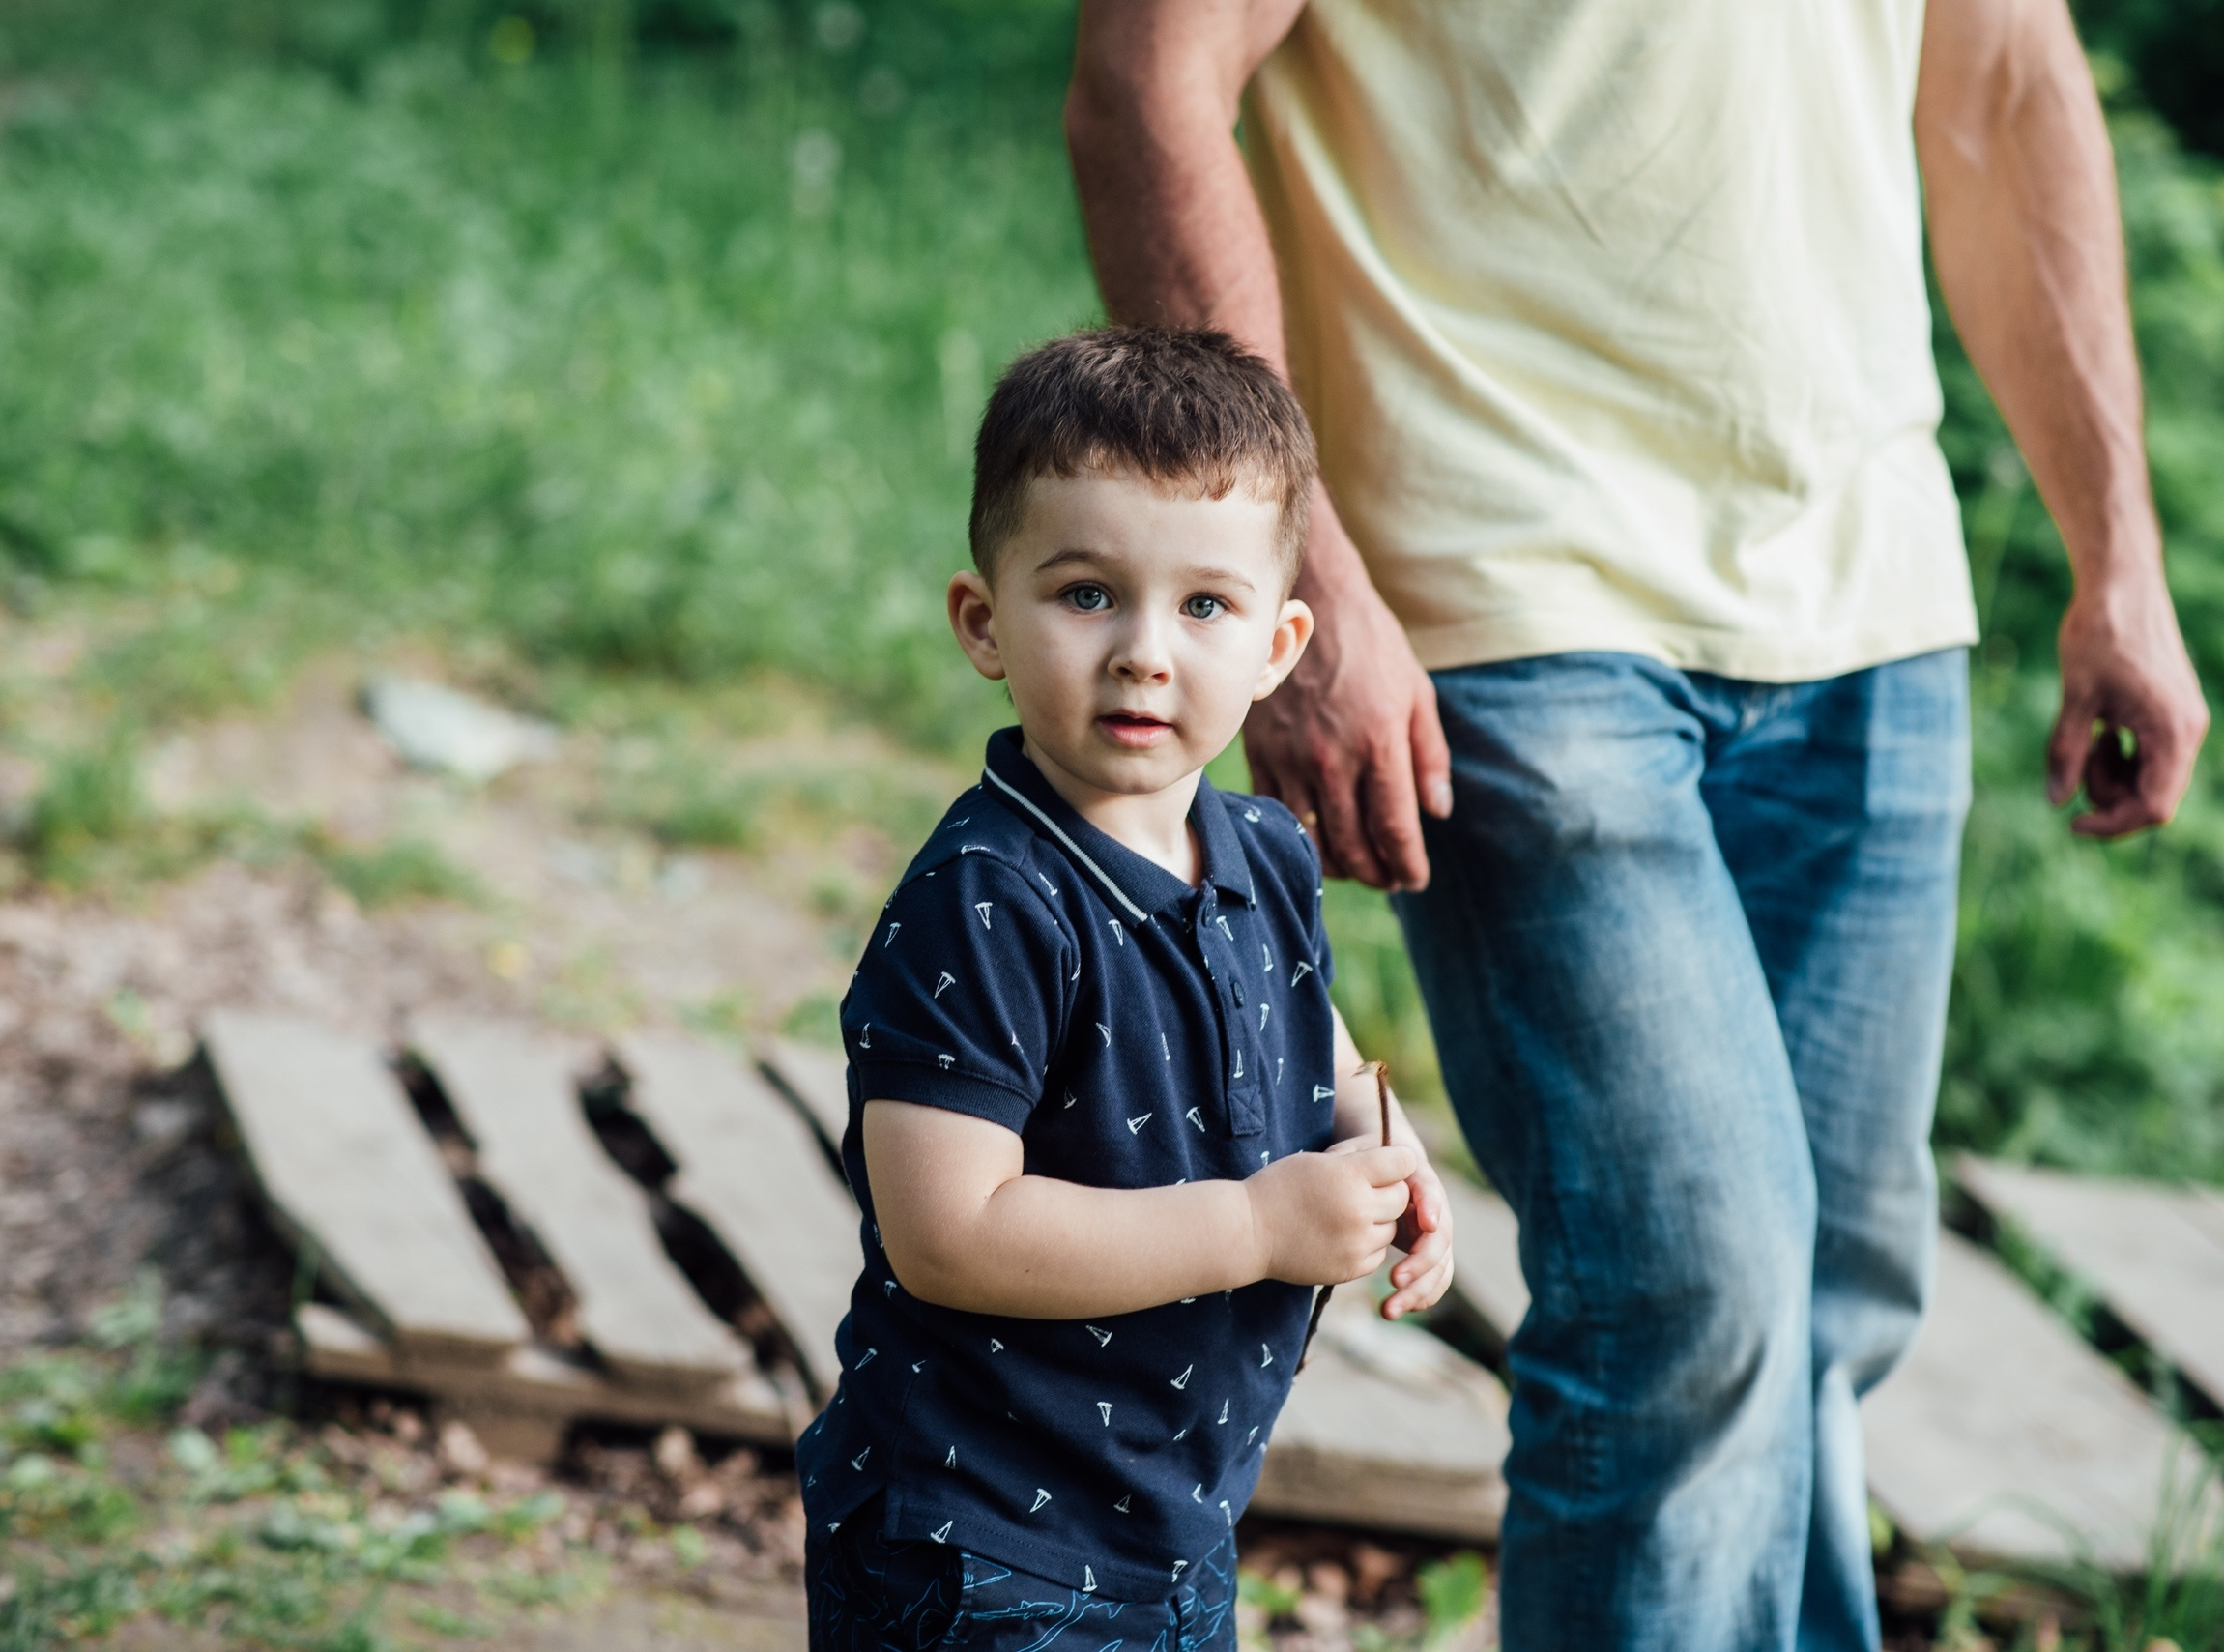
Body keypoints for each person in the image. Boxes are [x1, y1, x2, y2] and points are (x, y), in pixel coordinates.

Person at [1064, 3, 2209, 1650]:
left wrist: (2121, 556)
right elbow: (1146, 82)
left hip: (1870, 604)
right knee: (1694, 1290)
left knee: (1818, 1311)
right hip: (1505, 585)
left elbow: (2009, 88)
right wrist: (1296, 568)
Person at [796, 327, 1457, 1650]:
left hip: (1171, 1519)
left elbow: (1300, 1021)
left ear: (1278, 644)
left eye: (1204, 606)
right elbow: (949, 1231)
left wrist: (1379, 1136)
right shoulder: (990, 901)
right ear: (984, 621)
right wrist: (1258, 1228)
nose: (1146, 651)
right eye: (1089, 593)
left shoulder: (1264, 851)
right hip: (984, 1536)